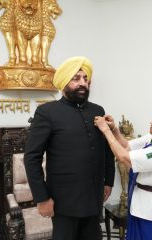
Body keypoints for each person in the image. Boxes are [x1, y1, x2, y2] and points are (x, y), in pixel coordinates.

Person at [24, 56, 115, 240]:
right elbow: (31, 157)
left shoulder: (97, 110)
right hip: (64, 202)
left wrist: (108, 181)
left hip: (93, 198)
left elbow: (106, 150)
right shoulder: (47, 112)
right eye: (76, 79)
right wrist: (42, 198)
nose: (83, 83)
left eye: (85, 79)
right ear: (64, 82)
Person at [94, 106, 152, 240]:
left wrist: (106, 131)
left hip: (151, 208)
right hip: (140, 203)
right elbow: (126, 146)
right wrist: (114, 129)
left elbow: (124, 157)